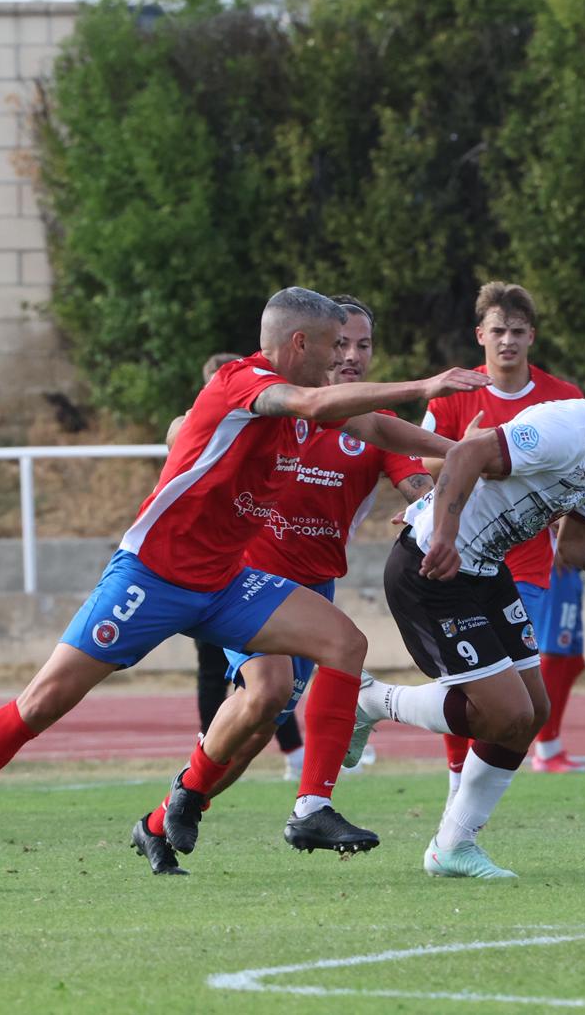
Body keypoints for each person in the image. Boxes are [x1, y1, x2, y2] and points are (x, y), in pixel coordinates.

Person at [0, 287, 487, 855]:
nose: (339, 359)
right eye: (332, 345)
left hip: (225, 582)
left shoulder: (313, 399)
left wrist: (468, 453)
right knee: (42, 702)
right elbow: (314, 406)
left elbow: (376, 428)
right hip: (150, 579)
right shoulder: (246, 384)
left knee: (343, 643)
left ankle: (311, 806)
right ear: (300, 343)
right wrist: (425, 386)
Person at [347, 337, 585, 878]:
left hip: (486, 573)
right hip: (431, 568)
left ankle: (451, 847)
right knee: (504, 712)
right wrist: (443, 533)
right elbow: (466, 453)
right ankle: (374, 701)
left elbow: (579, 547)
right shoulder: (565, 427)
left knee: (530, 713)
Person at [131, 296, 436, 874]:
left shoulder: (369, 425)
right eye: (340, 343)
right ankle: (309, 806)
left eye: (363, 345)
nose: (350, 355)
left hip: (314, 590)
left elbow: (416, 480)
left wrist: (440, 501)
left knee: (257, 722)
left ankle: (162, 817)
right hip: (247, 577)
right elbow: (191, 428)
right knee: (268, 693)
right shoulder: (284, 401)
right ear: (314, 345)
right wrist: (184, 431)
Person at [419, 282, 585, 781]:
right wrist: (463, 450)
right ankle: (457, 781)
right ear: (480, 335)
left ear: (531, 336)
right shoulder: (453, 395)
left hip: (528, 563)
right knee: (466, 677)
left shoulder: (563, 399)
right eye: (498, 331)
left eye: (517, 331)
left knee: (517, 685)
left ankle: (477, 795)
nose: (507, 341)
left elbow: (581, 468)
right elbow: (419, 460)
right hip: (457, 555)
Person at [168, 351, 307, 781]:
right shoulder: (203, 425)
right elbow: (177, 433)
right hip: (198, 574)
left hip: (241, 577)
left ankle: (297, 759)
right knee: (238, 678)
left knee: (273, 684)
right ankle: (205, 755)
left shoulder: (269, 423)